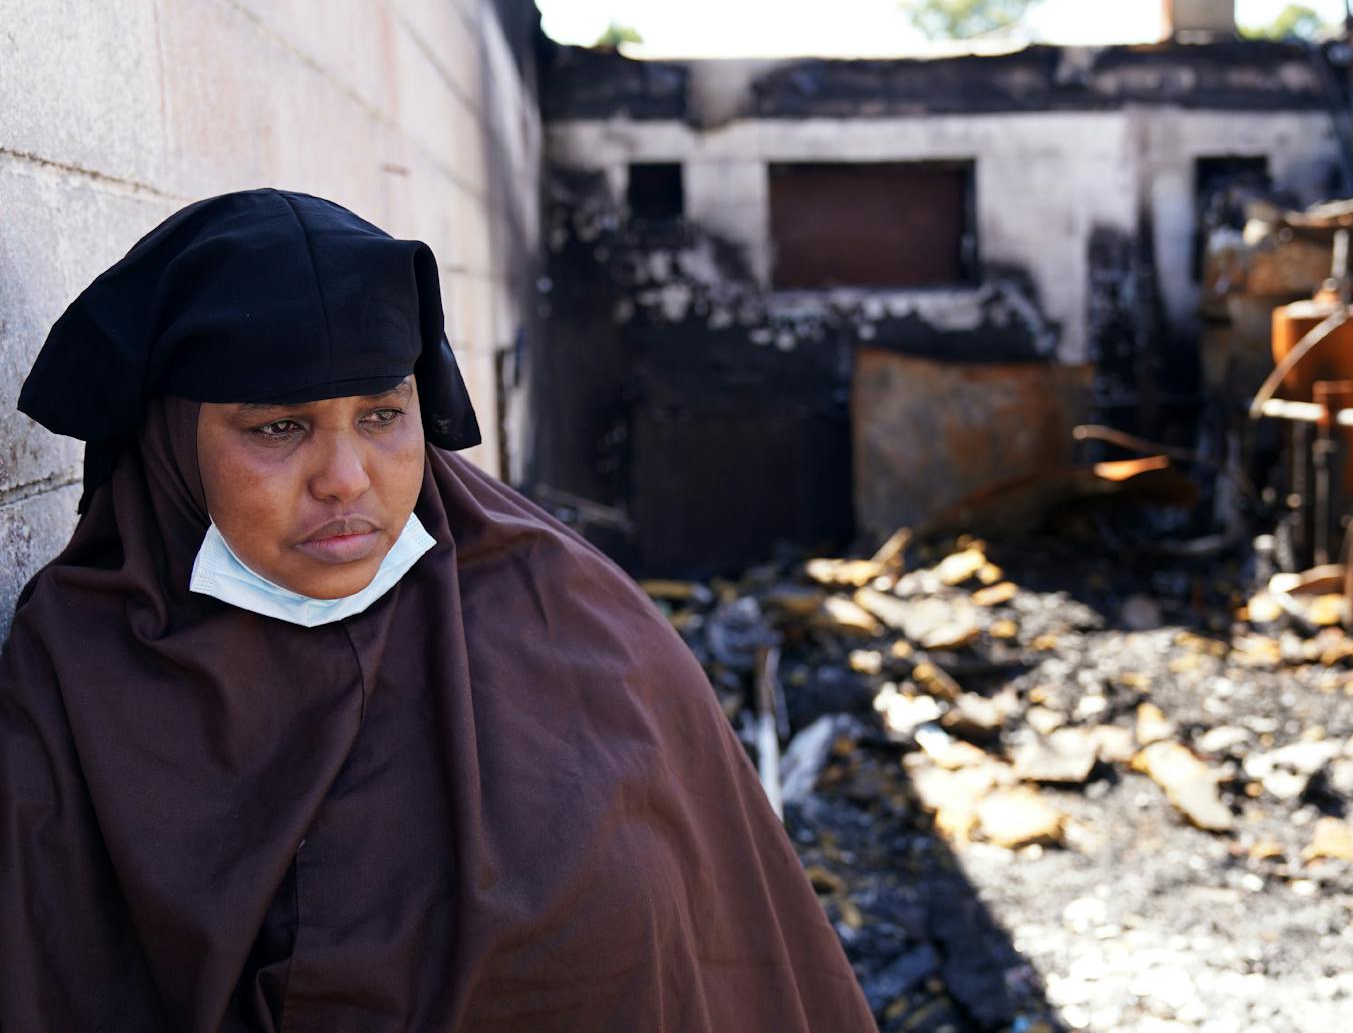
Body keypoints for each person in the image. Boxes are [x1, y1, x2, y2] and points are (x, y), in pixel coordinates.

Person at [0, 189, 878, 1032]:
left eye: (383, 413)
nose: (347, 479)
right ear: (169, 441)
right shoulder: (80, 669)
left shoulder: (571, 618)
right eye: (278, 428)